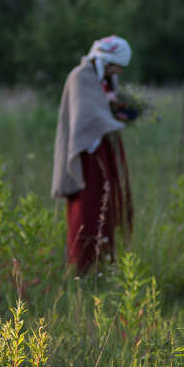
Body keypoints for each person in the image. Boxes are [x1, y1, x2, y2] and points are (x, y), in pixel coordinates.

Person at [52, 35, 134, 275]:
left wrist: (122, 110)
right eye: (118, 65)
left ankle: (103, 264)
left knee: (104, 208)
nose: (120, 70)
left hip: (102, 152)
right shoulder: (81, 77)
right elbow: (86, 117)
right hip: (86, 155)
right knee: (85, 209)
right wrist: (110, 106)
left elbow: (104, 110)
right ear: (108, 60)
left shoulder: (106, 78)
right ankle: (82, 268)